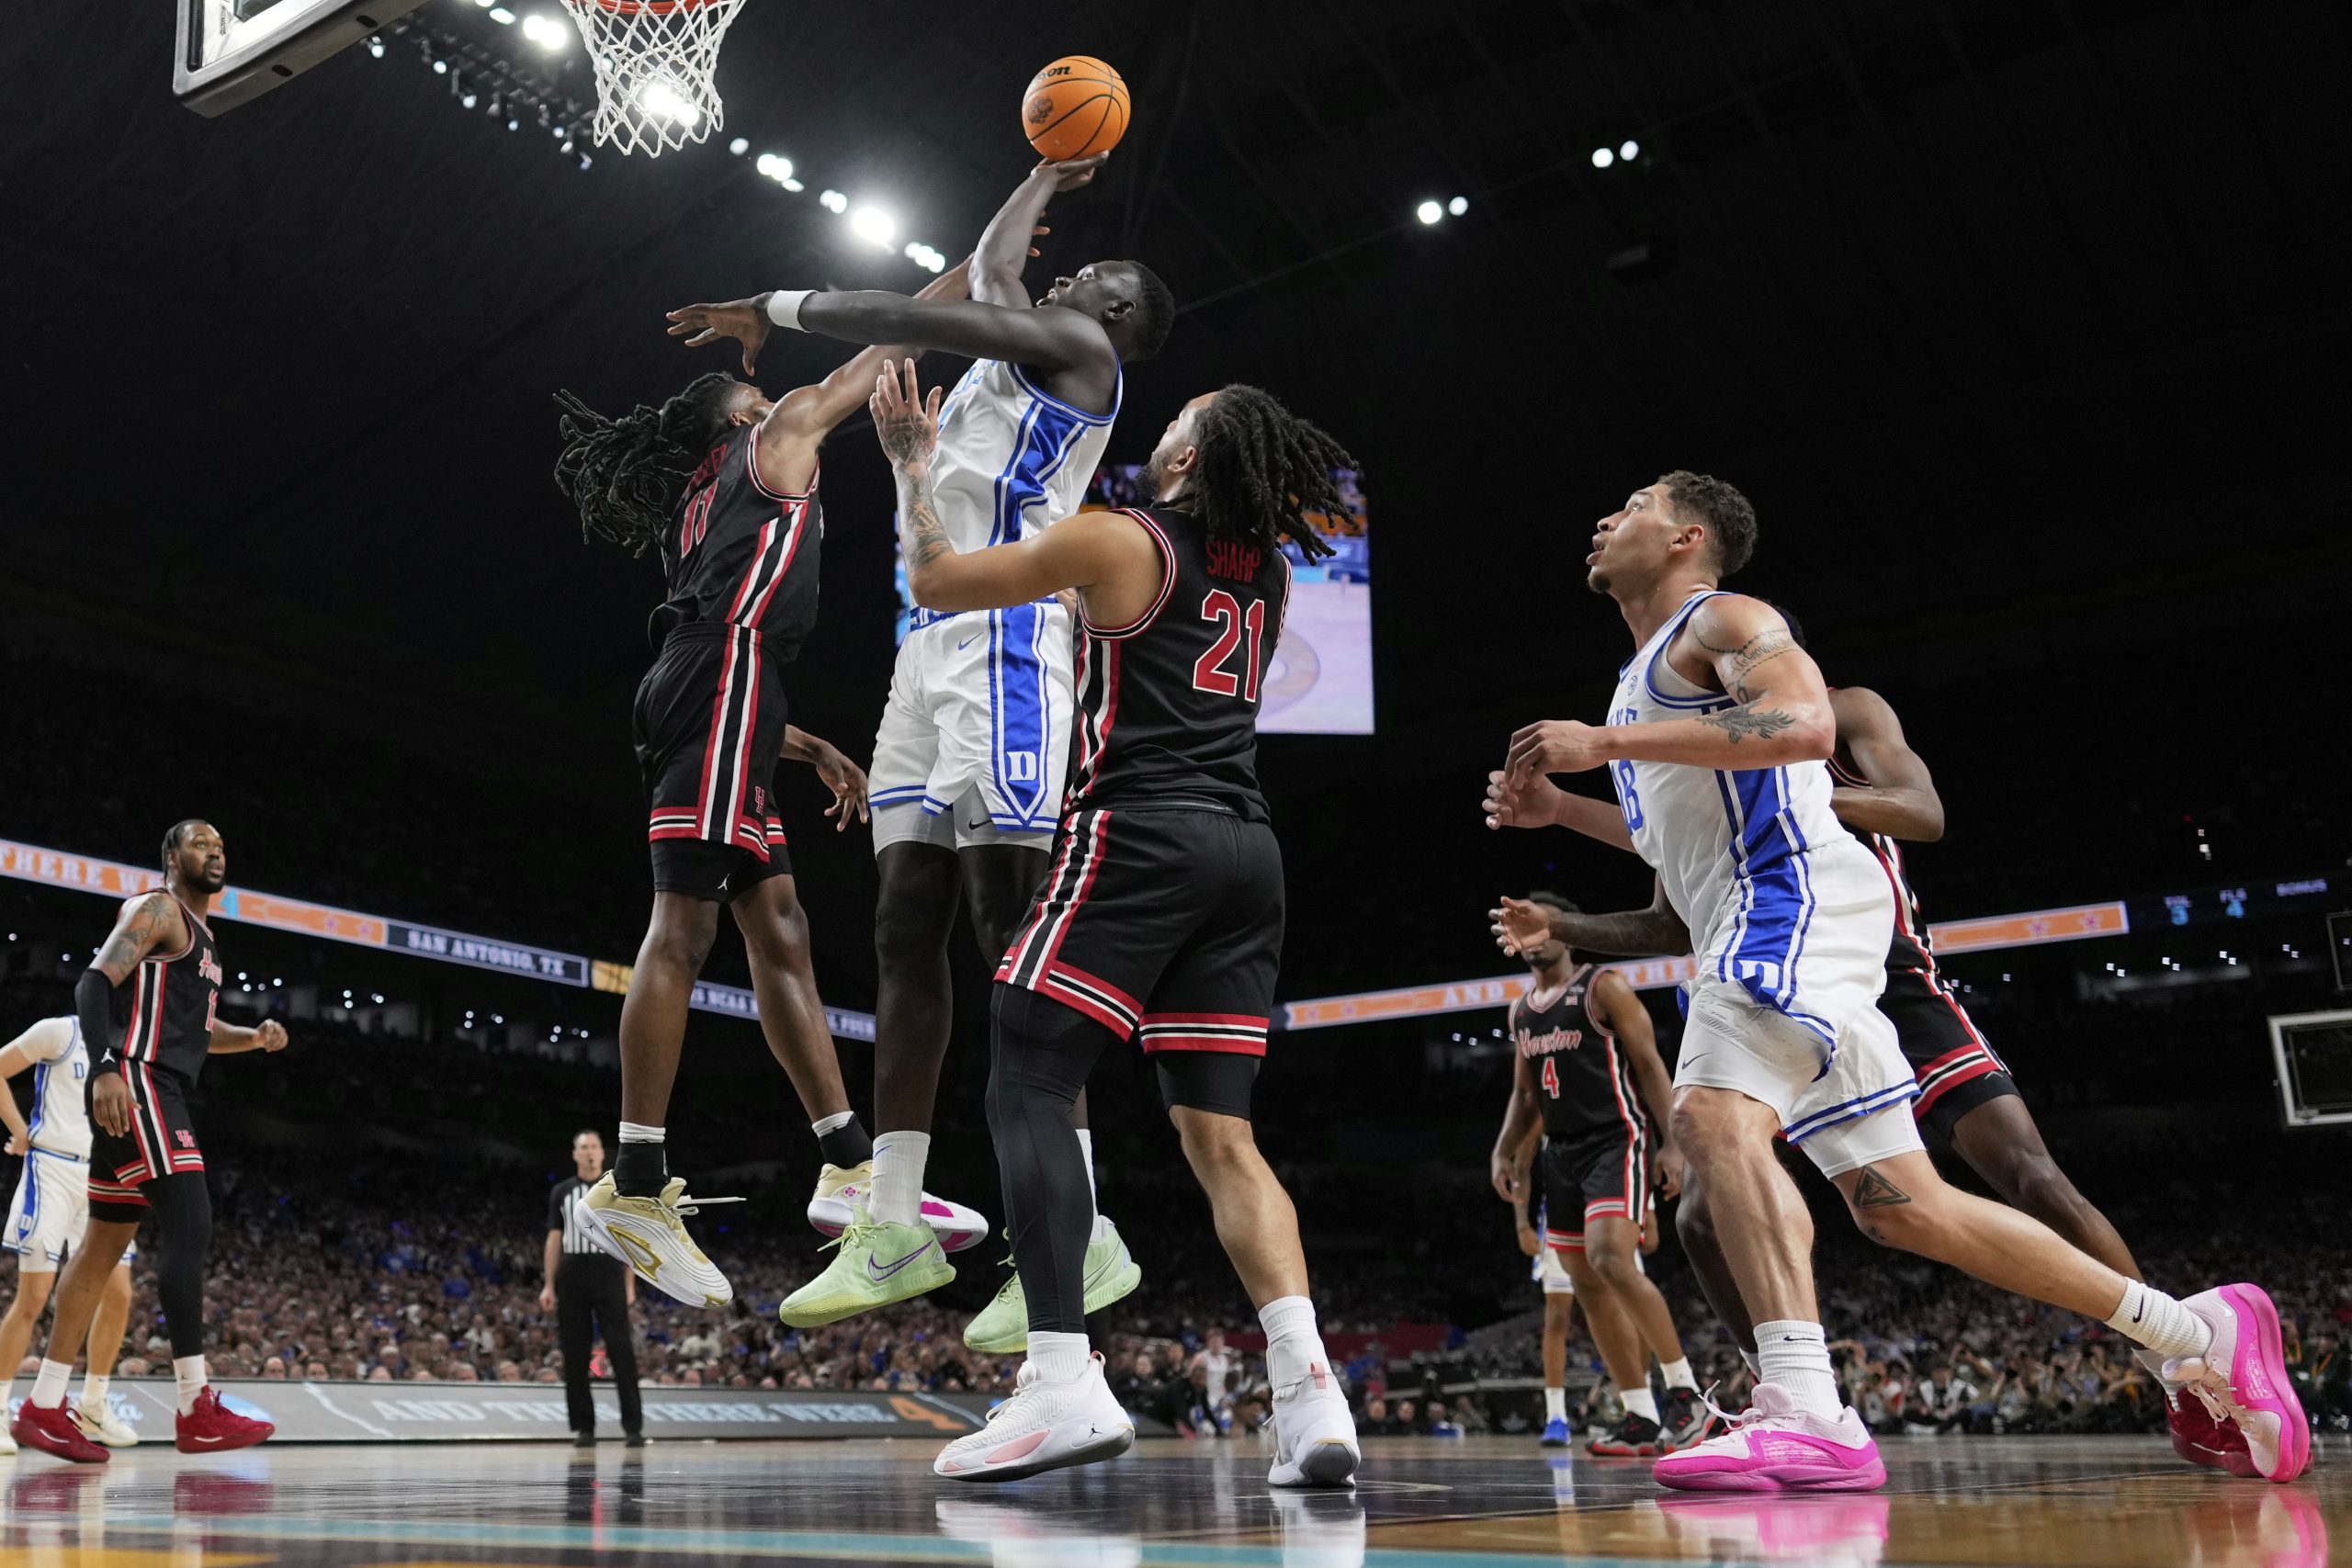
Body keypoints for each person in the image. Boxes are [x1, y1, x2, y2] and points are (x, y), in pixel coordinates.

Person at [1482, 473, 2305, 1489]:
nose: (1605, 517)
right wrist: (1564, 814)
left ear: (1688, 536)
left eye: (1635, 504)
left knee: (1707, 1124)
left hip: (1789, 904)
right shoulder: (1640, 679)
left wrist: (1602, 745)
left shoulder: (1726, 617)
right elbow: (1674, 849)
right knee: (1901, 1206)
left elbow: (1804, 728)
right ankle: (2194, 1330)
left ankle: (1806, 1410)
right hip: (1768, 919)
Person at [665, 157, 1175, 1343]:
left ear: (1113, 318)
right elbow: (994, 270)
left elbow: (920, 311)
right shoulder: (1022, 347)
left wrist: (778, 310)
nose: (1060, 269)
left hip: (1008, 651)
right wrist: (1042, 169)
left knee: (1008, 935)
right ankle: (891, 1215)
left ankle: (1085, 1228)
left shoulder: (1084, 362)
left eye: (1086, 274)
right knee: (902, 929)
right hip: (930, 647)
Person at [859, 361, 1360, 1486]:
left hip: (1141, 834)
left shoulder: (1121, 538)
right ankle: (1310, 1392)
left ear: (1182, 461)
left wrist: (911, 468)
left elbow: (937, 583)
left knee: (1027, 1074)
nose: (1158, 433)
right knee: (1221, 1139)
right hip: (1249, 855)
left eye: (1173, 425)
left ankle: (1060, 1377)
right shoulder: (1270, 573)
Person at [551, 264, 970, 1309]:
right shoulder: (773, 436)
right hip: (725, 686)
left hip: (728, 691)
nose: (792, 396)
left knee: (778, 926)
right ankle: (634, 1185)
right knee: (683, 929)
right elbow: (890, 341)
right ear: (744, 415)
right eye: (774, 393)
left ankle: (847, 1158)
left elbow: (722, 651)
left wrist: (808, 742)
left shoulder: (708, 499)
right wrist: (978, 266)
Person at [9, 821, 284, 1463]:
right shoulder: (157, 908)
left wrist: (253, 1036)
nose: (214, 850)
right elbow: (92, 983)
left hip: (148, 1083)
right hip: (139, 1083)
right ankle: (195, 1405)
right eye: (199, 843)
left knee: (101, 1249)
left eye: (221, 844)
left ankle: (44, 1407)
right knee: (192, 1221)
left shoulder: (207, 938)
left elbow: (198, 1027)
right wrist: (105, 1064)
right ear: (171, 857)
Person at [1489, 895, 1710, 1458]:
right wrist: (1503, 1150)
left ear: (1565, 931)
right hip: (1559, 1154)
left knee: (1612, 1258)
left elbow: (1651, 1066)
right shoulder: (1521, 1012)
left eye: (1542, 928)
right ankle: (1639, 1413)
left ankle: (1683, 1391)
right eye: (1524, 932)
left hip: (1618, 1139)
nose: (1534, 939)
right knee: (1587, 1283)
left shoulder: (1602, 987)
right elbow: (1523, 1093)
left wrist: (1673, 1145)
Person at [0, 1018, 141, 1452]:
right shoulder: (59, 1032)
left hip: (106, 1173)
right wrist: (20, 1131)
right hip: (53, 1169)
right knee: (34, 1297)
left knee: (119, 1293)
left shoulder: (134, 1047)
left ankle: (93, 1407)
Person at [540, 1130, 641, 1448]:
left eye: (594, 1146)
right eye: (583, 1147)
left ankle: (633, 1427)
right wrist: (548, 1284)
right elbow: (554, 1238)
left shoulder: (617, 1191)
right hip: (572, 1271)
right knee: (574, 1350)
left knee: (621, 1348)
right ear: (575, 1154)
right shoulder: (562, 1192)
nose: (588, 1152)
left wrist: (629, 1283)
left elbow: (629, 1240)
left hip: (609, 1269)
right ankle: (584, 1427)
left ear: (602, 1153)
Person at [1513, 1178, 1577, 1447]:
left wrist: (1651, 1209)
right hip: (1560, 1209)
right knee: (1557, 1316)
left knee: (1626, 1310)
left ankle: (1641, 1410)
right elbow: (1522, 1162)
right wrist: (1522, 1222)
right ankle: (1556, 1416)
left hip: (1615, 1203)